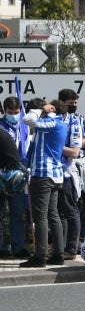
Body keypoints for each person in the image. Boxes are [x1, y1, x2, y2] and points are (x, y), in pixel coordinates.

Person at [19, 100, 68, 268]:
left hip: (43, 174)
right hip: (55, 175)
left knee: (40, 216)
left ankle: (40, 256)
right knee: (52, 215)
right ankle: (58, 254)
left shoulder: (52, 122)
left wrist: (40, 109)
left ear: (52, 109)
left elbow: (28, 120)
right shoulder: (60, 123)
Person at [58, 88, 85, 261]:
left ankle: (76, 241)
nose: (73, 106)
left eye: (75, 103)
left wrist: (74, 144)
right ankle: (65, 245)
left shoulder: (80, 120)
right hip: (62, 167)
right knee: (64, 208)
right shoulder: (57, 119)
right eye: (69, 104)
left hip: (80, 164)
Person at [0, 97, 29, 260]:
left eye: (16, 113)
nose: (13, 115)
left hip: (19, 175)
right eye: (10, 113)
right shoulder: (1, 126)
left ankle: (19, 247)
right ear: (4, 111)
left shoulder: (24, 126)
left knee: (17, 213)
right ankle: (2, 247)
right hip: (2, 174)